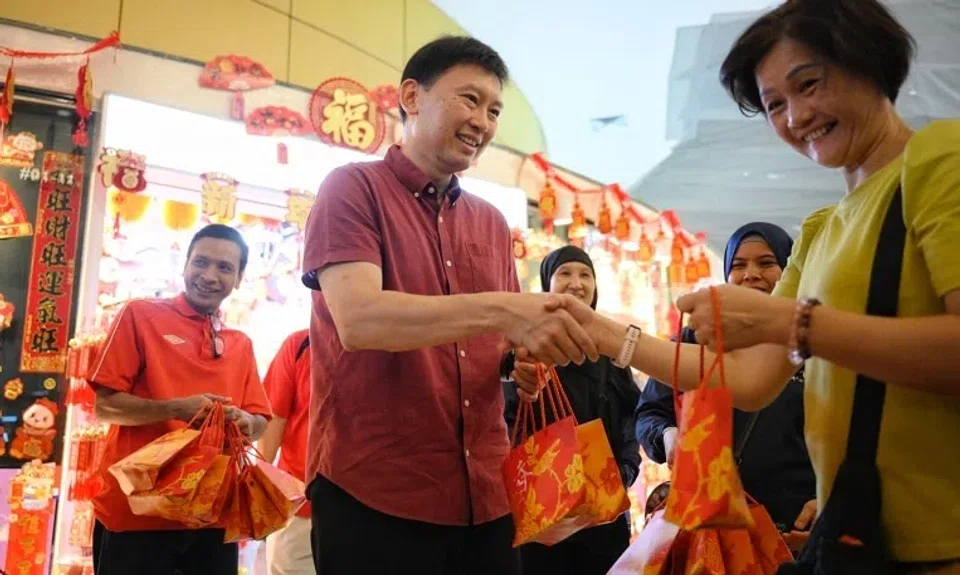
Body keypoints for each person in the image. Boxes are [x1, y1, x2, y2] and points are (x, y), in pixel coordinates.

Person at [517, 1, 960, 572]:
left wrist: (789, 323)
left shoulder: (937, 160)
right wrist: (607, 334)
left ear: (871, 64)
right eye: (774, 103)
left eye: (809, 85)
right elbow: (751, 381)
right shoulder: (822, 230)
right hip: (854, 535)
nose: (795, 115)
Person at [300, 36, 598, 575]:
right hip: (375, 487)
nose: (483, 121)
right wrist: (504, 311)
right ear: (412, 97)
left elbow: (500, 347)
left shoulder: (490, 221)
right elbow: (360, 319)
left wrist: (518, 364)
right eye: (469, 99)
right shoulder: (351, 189)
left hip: (486, 492)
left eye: (494, 109)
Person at [90, 224, 272, 575]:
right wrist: (176, 408)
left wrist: (246, 423)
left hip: (211, 518)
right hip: (137, 514)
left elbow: (260, 419)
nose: (209, 276)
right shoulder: (140, 316)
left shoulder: (240, 343)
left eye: (224, 268)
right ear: (185, 265)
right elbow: (105, 405)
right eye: (200, 262)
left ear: (239, 278)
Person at [635, 222, 816, 550]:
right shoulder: (696, 339)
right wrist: (667, 434)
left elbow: (847, 430)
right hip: (709, 528)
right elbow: (649, 412)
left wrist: (825, 500)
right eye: (739, 265)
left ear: (789, 271)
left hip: (791, 526)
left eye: (766, 263)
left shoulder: (810, 343)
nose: (751, 274)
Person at [503, 246, 641, 575]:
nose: (576, 283)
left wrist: (626, 468)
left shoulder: (608, 346)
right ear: (547, 285)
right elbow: (507, 417)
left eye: (585, 274)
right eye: (564, 273)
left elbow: (633, 412)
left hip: (602, 507)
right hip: (545, 505)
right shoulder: (527, 347)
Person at [258, 329, 314, 575]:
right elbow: (274, 420)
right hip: (297, 505)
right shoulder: (301, 344)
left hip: (363, 510)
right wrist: (260, 491)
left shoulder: (388, 342)